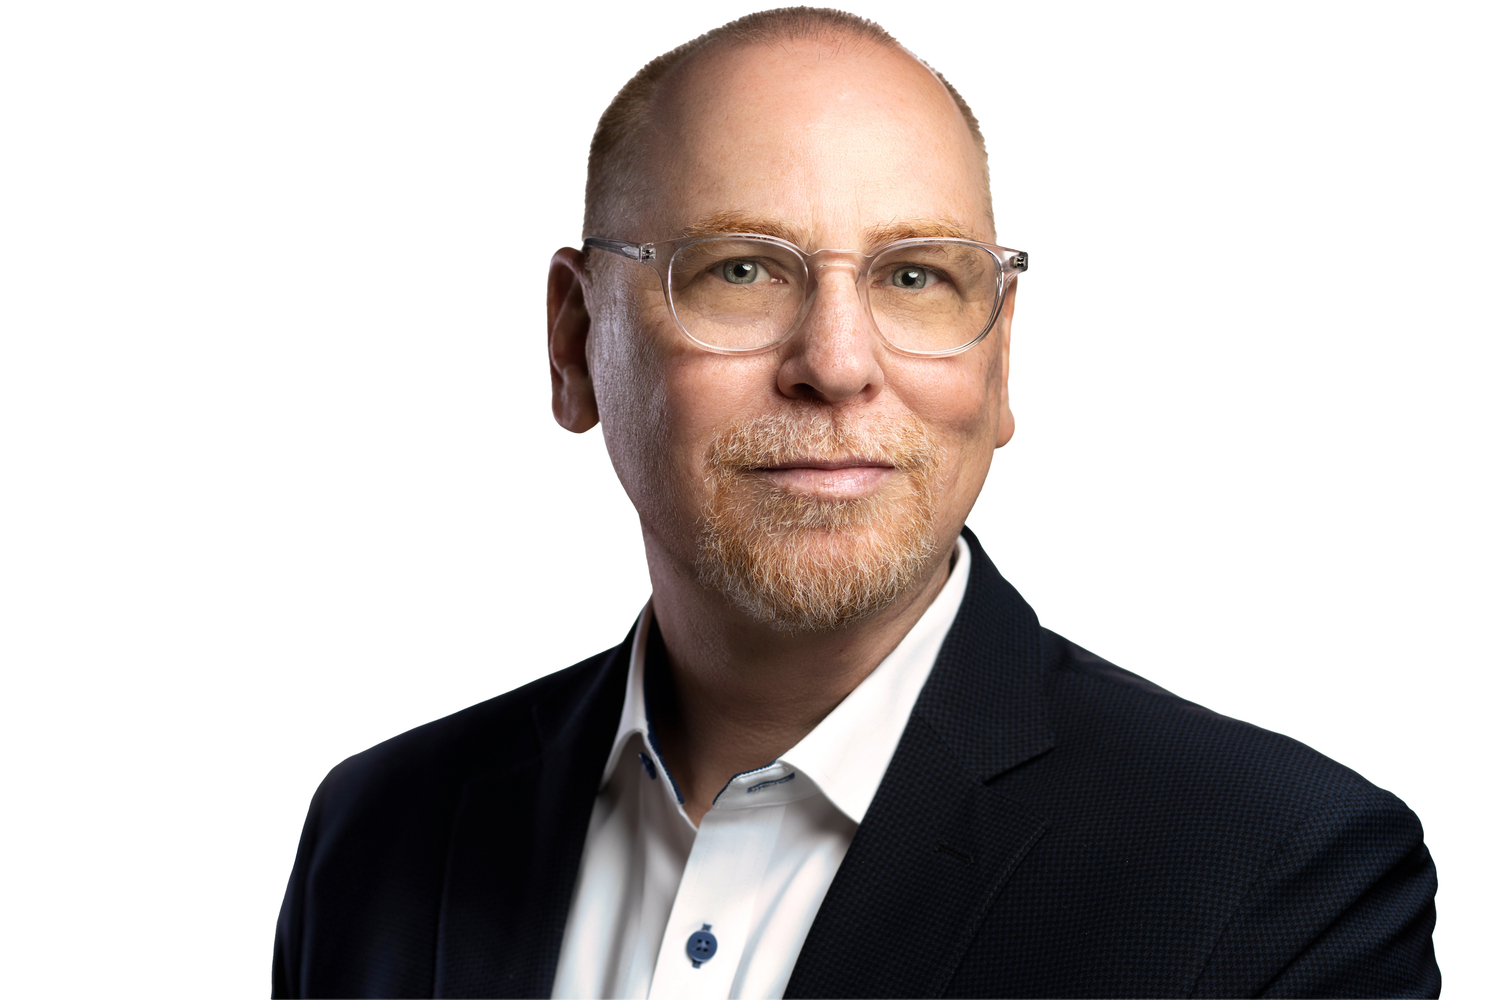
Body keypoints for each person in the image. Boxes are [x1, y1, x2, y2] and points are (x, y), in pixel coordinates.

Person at [272, 8, 1439, 998]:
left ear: (1000, 363)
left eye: (916, 276)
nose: (836, 363)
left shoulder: (1280, 886)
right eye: (740, 269)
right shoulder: (377, 840)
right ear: (576, 344)